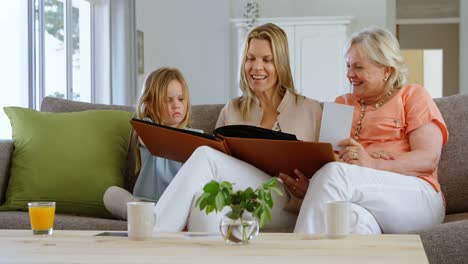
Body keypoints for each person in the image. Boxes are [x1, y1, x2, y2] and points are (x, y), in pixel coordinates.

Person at [153, 23, 322, 232]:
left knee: (205, 156)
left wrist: (310, 189)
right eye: (250, 58)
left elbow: (328, 172)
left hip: (288, 206)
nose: (256, 67)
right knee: (202, 202)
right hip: (238, 200)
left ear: (281, 63)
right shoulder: (232, 109)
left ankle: (151, 238)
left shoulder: (310, 109)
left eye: (267, 60)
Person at [279, 27, 448, 234]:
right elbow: (327, 162)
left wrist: (372, 163)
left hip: (417, 196)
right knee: (351, 221)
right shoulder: (342, 104)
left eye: (358, 67)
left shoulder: (412, 95)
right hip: (365, 201)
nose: (349, 74)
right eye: (348, 65)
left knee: (335, 174)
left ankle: (296, 256)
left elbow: (428, 159)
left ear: (387, 70)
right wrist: (314, 187)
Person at [103, 67, 198, 220]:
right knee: (111, 194)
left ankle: (155, 218)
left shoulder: (196, 137)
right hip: (144, 203)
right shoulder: (146, 127)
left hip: (176, 204)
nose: (176, 105)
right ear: (150, 105)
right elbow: (153, 137)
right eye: (168, 100)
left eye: (181, 99)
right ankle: (150, 217)